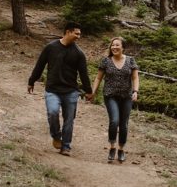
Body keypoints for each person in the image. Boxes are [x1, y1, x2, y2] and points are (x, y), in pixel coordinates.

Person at [28, 22, 91, 156]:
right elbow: (40, 65)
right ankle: (56, 136)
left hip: (71, 91)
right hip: (53, 89)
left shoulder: (79, 53)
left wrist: (89, 91)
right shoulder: (50, 47)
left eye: (80, 34)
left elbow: (84, 74)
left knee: (69, 119)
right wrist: (32, 80)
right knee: (53, 112)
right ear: (68, 32)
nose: (79, 36)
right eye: (76, 33)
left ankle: (66, 146)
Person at [88, 37, 139, 164]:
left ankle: (121, 149)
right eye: (112, 45)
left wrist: (135, 91)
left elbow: (135, 78)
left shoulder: (130, 60)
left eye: (117, 45)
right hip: (110, 95)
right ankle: (112, 147)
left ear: (123, 47)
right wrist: (93, 92)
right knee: (114, 120)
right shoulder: (106, 61)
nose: (114, 47)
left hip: (126, 96)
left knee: (124, 124)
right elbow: (98, 78)